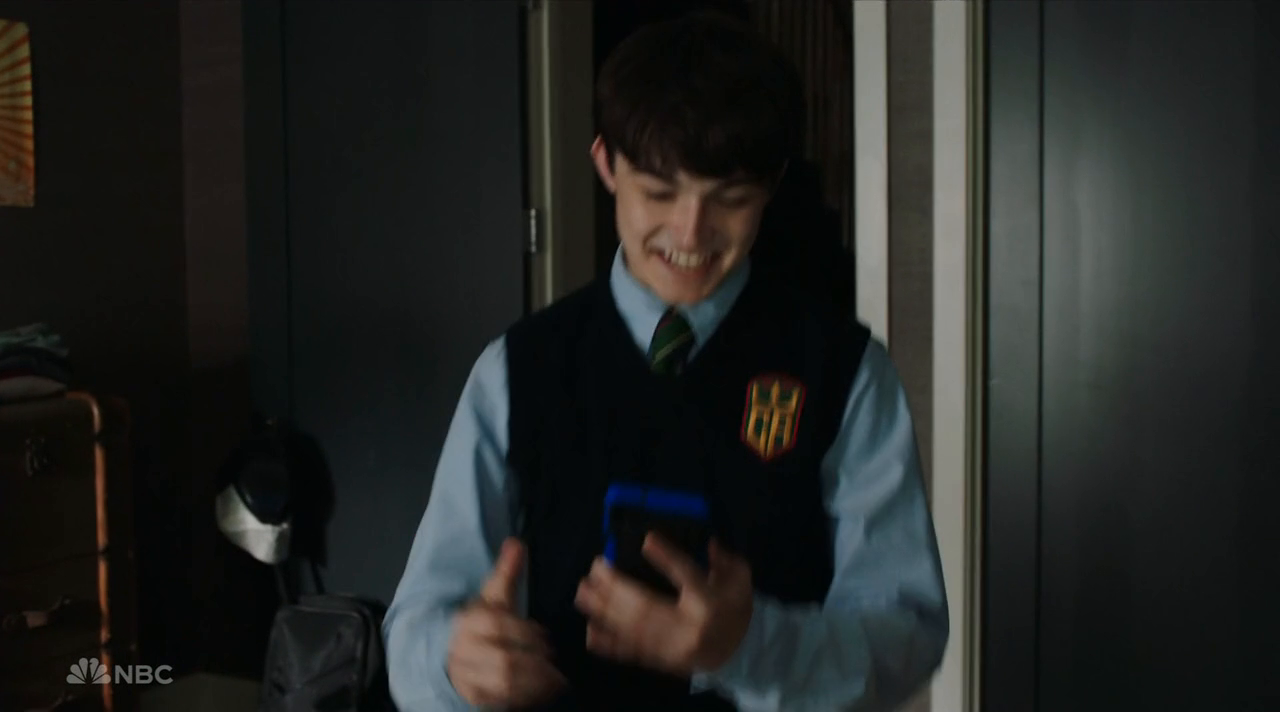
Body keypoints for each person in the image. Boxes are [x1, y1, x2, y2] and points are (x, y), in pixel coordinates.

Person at [382, 12, 948, 712]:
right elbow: (414, 626)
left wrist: (748, 648)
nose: (690, 233)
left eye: (729, 200)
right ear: (605, 164)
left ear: (771, 184)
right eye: (658, 192)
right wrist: (454, 662)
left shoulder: (845, 373)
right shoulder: (516, 372)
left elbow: (907, 630)